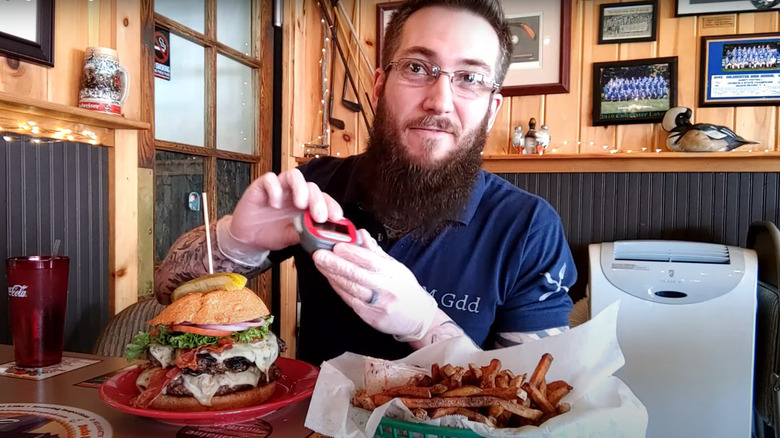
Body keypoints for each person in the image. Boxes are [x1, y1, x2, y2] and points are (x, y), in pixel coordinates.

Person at [155, 0, 576, 366]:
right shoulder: (314, 187)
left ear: (492, 109)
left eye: (470, 78)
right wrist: (237, 241)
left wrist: (426, 323)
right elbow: (166, 288)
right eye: (416, 67)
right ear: (379, 85)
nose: (440, 100)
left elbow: (534, 401)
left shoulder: (528, 227)